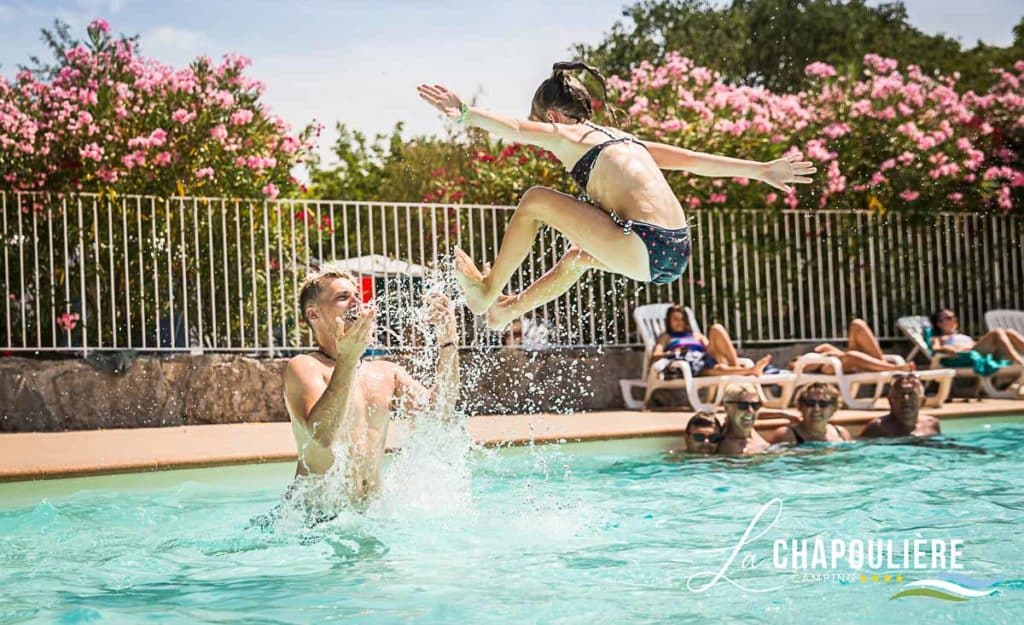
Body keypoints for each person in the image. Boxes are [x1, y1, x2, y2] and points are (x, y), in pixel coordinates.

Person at [417, 62, 815, 330]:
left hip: (645, 244)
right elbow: (693, 161)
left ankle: (489, 291)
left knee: (535, 200)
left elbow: (515, 129)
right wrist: (760, 170)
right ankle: (507, 310)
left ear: (553, 117)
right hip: (675, 250)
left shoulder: (567, 134)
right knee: (576, 258)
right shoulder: (624, 139)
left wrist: (466, 113)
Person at [282, 262, 460, 508]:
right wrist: (348, 359)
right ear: (314, 314)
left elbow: (440, 415)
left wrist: (448, 343)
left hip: (369, 515)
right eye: (343, 297)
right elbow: (321, 436)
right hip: (314, 521)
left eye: (357, 296)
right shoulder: (304, 367)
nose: (358, 303)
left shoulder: (385, 373)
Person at [652, 305, 773, 378]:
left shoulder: (696, 335)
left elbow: (710, 348)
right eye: (675, 319)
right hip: (691, 363)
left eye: (682, 319)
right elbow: (655, 356)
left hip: (704, 358)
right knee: (720, 368)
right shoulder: (667, 337)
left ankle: (737, 366)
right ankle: (750, 371)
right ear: (669, 321)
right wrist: (675, 353)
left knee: (716, 328)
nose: (680, 322)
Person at [929, 308, 1023, 382]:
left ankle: (1019, 360)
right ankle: (1019, 361)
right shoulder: (939, 338)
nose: (953, 320)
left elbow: (975, 343)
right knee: (997, 332)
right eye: (949, 318)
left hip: (978, 350)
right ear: (939, 324)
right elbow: (935, 348)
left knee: (1009, 332)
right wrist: (946, 348)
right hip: (968, 355)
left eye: (954, 317)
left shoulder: (960, 335)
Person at [797, 319, 914, 373]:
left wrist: (831, 352)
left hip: (841, 360)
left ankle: (878, 364)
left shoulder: (814, 352)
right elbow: (807, 367)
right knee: (850, 355)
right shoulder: (799, 363)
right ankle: (893, 369)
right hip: (828, 368)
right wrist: (827, 355)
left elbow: (835, 353)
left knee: (857, 325)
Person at [859, 374, 941, 438]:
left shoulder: (931, 424)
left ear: (922, 401)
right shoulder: (878, 428)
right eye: (900, 394)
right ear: (890, 401)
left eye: (911, 394)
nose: (906, 399)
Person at [767, 382, 851, 444]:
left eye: (823, 404)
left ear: (834, 408)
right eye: (810, 403)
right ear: (800, 406)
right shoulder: (787, 435)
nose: (816, 408)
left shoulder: (841, 434)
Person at [716, 383, 771, 456]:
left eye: (755, 406)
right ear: (726, 407)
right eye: (743, 405)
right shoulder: (718, 445)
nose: (750, 410)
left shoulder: (757, 438)